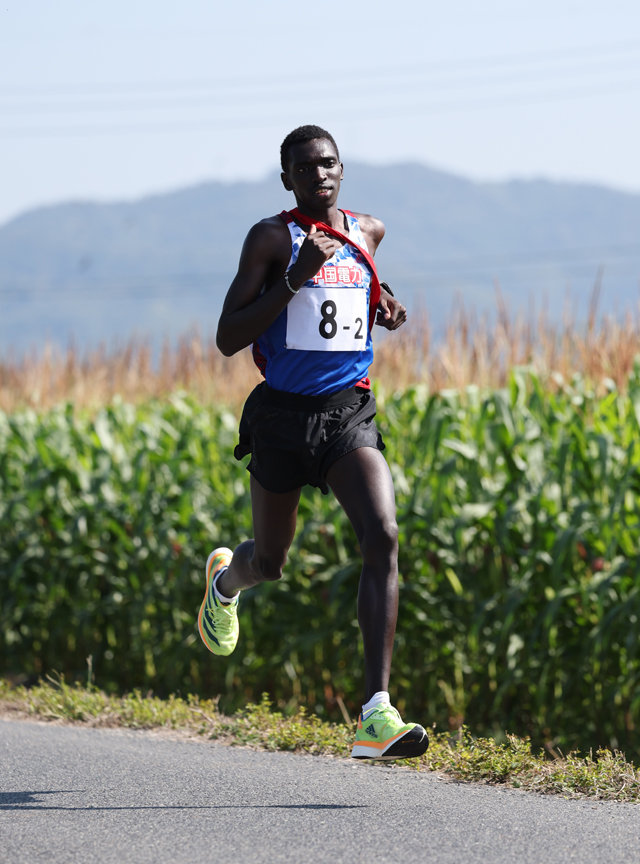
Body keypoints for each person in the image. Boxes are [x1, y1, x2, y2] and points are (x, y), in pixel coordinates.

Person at [197, 124, 428, 760]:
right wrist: (294, 278)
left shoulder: (369, 232)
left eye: (327, 164)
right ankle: (225, 583)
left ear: (342, 169)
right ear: (287, 180)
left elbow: (356, 295)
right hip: (281, 419)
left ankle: (375, 717)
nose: (318, 175)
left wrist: (387, 305)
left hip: (348, 411)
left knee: (381, 532)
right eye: (304, 169)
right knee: (270, 562)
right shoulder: (272, 238)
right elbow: (227, 335)